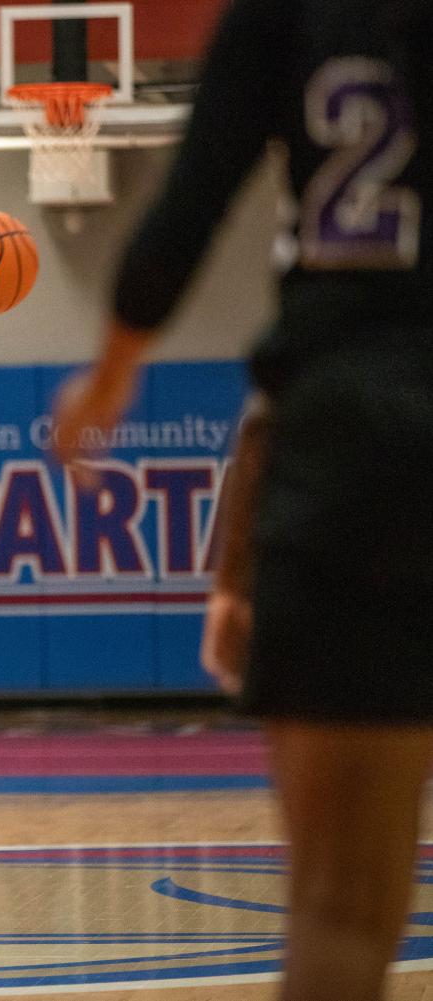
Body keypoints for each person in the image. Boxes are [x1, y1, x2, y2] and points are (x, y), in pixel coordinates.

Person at [51, 0, 432, 997]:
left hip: (357, 446)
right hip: (359, 430)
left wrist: (109, 374)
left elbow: (187, 208)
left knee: (343, 913)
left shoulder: (286, 15)